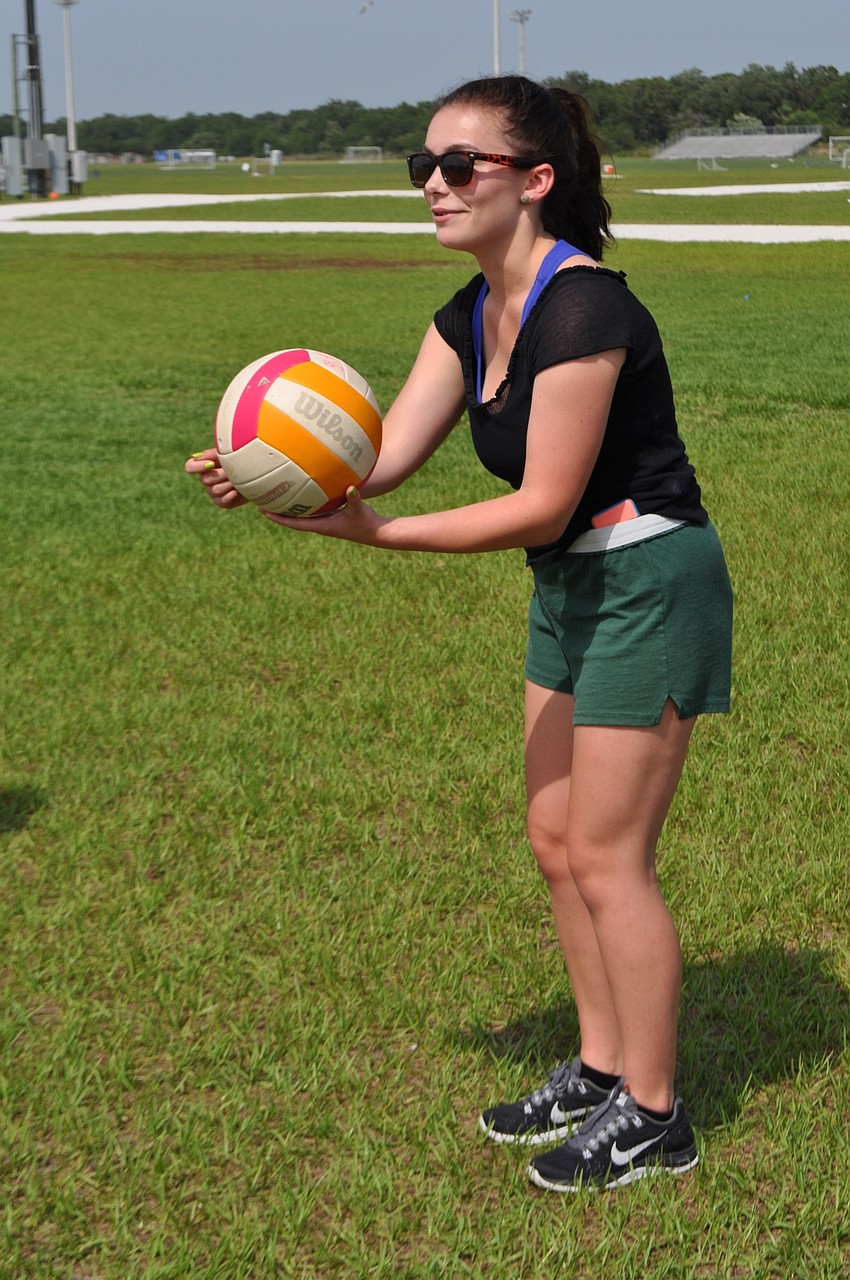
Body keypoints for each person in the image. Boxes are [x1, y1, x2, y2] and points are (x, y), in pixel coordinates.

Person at [185, 75, 733, 1193]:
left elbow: (538, 501)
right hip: (570, 583)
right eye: (421, 165)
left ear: (533, 181)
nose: (432, 185)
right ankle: (596, 1063)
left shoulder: (584, 311)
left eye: (458, 165)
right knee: (552, 839)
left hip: (647, 575)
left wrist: (375, 537)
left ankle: (656, 1114)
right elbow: (378, 459)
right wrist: (283, 475)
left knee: (609, 855)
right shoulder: (464, 312)